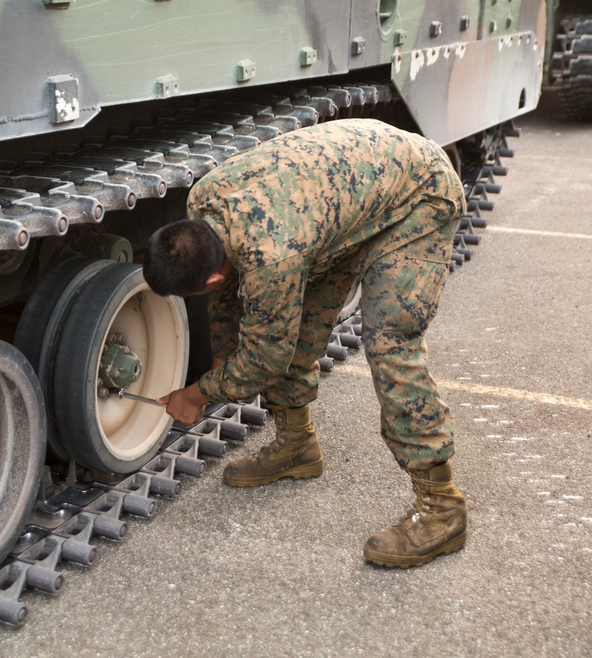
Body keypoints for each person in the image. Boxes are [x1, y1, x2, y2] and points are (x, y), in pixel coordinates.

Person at [142, 117, 467, 568]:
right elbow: (229, 301)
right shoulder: (205, 202)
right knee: (298, 320)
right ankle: (297, 446)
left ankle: (442, 508)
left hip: (418, 196)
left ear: (211, 274)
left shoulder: (272, 256)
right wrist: (220, 360)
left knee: (390, 342)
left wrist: (197, 394)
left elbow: (265, 358)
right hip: (342, 204)